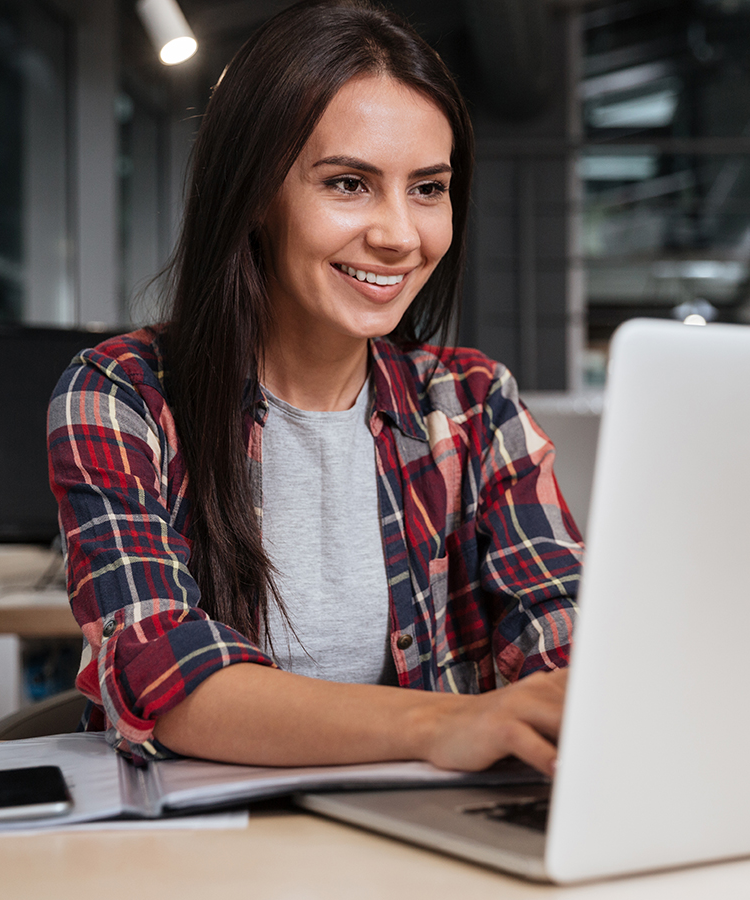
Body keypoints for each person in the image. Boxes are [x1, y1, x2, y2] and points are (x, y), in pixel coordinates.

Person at [48, 0, 582, 777]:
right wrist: (449, 722)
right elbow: (167, 681)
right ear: (256, 193)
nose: (401, 234)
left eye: (428, 188)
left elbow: (558, 629)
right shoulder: (121, 395)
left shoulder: (471, 403)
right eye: (349, 184)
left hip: (424, 847)